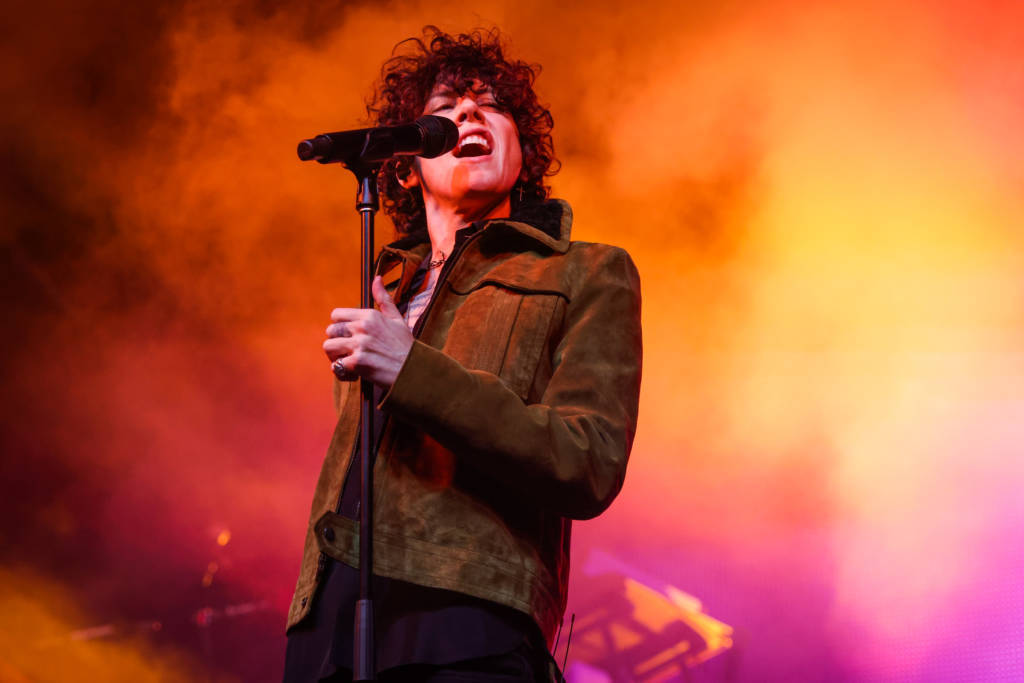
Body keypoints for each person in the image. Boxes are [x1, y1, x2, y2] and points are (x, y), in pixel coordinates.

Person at [283, 27, 642, 682]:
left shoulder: (587, 272)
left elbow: (588, 461)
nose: (470, 112)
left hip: (467, 618)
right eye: (446, 107)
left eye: (492, 106)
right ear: (405, 164)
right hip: (327, 630)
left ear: (522, 154)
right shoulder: (386, 291)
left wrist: (410, 370)